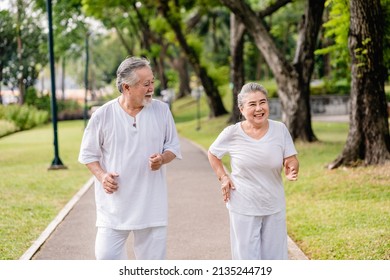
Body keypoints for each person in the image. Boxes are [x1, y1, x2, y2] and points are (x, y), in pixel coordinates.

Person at [78, 56, 182, 260]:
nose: (152, 87)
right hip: (114, 208)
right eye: (146, 84)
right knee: (106, 258)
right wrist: (102, 176)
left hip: (152, 206)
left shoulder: (162, 111)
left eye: (152, 81)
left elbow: (172, 147)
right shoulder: (103, 115)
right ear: (127, 87)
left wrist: (162, 158)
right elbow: (88, 154)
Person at [208, 82, 299, 260]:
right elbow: (212, 154)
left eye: (262, 102)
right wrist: (223, 177)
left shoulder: (280, 129)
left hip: (273, 204)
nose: (259, 108)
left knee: (275, 259)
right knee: (247, 259)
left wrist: (291, 167)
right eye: (252, 104)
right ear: (241, 109)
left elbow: (291, 158)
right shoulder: (232, 133)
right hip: (243, 204)